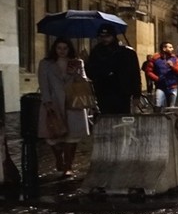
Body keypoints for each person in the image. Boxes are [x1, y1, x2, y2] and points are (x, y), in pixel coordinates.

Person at [38, 38, 90, 177]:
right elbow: (43, 83)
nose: (62, 51)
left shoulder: (77, 62)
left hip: (73, 103)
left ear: (69, 49)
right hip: (53, 102)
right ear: (54, 49)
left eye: (65, 48)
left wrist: (76, 73)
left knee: (72, 137)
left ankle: (68, 166)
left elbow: (84, 82)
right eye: (59, 48)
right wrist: (47, 101)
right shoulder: (46, 64)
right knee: (53, 134)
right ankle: (59, 160)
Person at [86, 25, 142, 115]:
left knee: (122, 119)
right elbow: (91, 72)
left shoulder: (127, 52)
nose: (104, 39)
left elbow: (135, 74)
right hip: (103, 92)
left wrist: (137, 94)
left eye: (107, 36)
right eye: (102, 36)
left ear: (113, 36)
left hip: (122, 93)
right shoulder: (96, 52)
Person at [144, 41, 178, 111]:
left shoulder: (175, 59)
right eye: (170, 47)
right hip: (160, 87)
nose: (172, 49)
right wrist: (157, 79)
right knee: (158, 106)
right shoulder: (155, 59)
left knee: (171, 108)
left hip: (172, 87)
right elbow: (148, 71)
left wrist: (172, 66)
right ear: (164, 48)